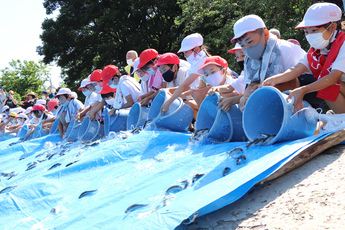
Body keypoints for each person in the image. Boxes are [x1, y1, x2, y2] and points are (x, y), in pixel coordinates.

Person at [262, 3, 345, 114]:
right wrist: (274, 80)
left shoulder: (343, 44)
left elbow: (333, 77)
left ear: (333, 27)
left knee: (327, 84)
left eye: (314, 30)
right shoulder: (316, 50)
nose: (309, 35)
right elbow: (297, 69)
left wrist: (304, 89)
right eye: (306, 32)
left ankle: (342, 119)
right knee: (323, 84)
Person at [230, 14, 306, 111]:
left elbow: (294, 82)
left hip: (307, 88)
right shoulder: (250, 59)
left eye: (250, 42)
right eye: (242, 45)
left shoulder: (284, 49)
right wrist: (246, 95)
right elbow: (253, 82)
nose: (247, 49)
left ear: (265, 34)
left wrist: (260, 94)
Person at [160, 33, 210, 114]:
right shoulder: (197, 62)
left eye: (186, 52)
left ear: (196, 49)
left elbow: (184, 85)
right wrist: (183, 94)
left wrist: (168, 103)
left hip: (218, 96)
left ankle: (207, 120)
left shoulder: (201, 62)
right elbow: (201, 86)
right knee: (194, 94)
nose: (185, 55)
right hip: (210, 96)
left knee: (195, 95)